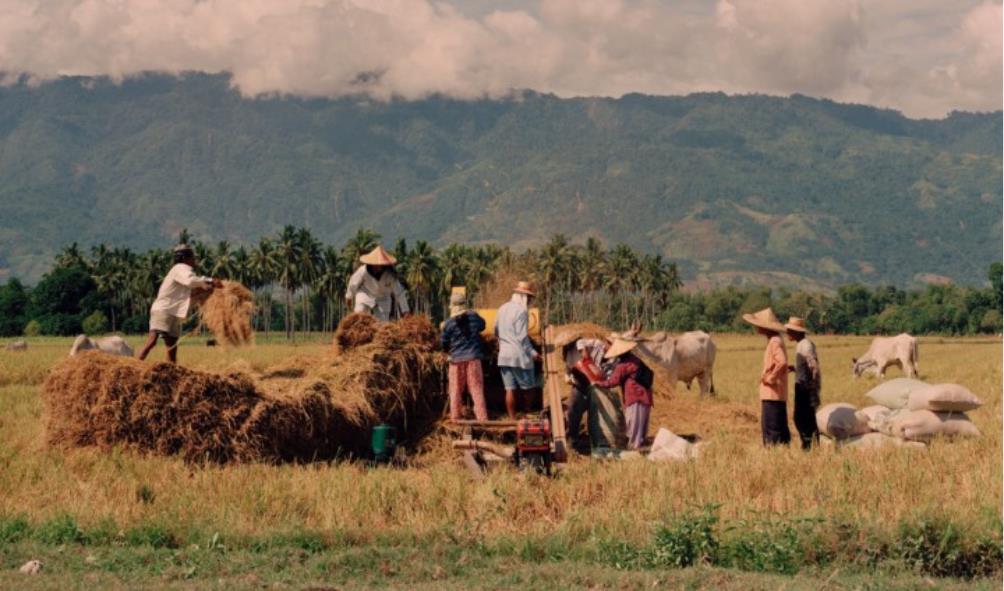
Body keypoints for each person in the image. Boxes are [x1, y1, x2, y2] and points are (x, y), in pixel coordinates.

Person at [138, 244, 220, 364]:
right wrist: (210, 280)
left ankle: (171, 369)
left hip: (173, 312)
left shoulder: (183, 271)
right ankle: (135, 364)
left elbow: (193, 289)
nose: (194, 260)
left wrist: (209, 287)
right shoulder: (180, 268)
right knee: (152, 341)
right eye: (192, 257)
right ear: (185, 258)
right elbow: (191, 280)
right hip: (163, 310)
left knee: (172, 345)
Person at [591, 337, 654, 450]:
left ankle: (634, 449)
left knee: (633, 425)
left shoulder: (623, 365)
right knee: (641, 426)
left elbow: (613, 381)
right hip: (645, 396)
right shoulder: (635, 359)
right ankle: (640, 445)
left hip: (635, 397)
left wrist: (598, 383)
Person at [742, 307, 791, 446]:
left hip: (772, 393)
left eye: (758, 325)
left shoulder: (774, 341)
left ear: (765, 327)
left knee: (771, 428)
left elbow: (782, 362)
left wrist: (770, 378)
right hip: (776, 393)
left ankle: (773, 454)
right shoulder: (775, 340)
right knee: (779, 427)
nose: (756, 327)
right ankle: (782, 453)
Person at [494, 281, 540, 420]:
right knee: (529, 388)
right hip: (518, 356)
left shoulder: (502, 308)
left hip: (504, 356)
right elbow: (522, 337)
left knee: (510, 389)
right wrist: (533, 353)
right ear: (524, 297)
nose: (530, 301)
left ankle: (512, 419)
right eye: (529, 298)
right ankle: (527, 413)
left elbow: (496, 330)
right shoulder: (522, 311)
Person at [441, 292, 488, 421]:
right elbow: (483, 326)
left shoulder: (448, 323)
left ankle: (455, 417)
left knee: (455, 390)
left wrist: (448, 350)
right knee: (476, 389)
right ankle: (482, 418)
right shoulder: (474, 316)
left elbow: (444, 342)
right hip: (473, 359)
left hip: (456, 361)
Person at [344, 246, 410, 321]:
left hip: (383, 298)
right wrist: (349, 297)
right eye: (375, 263)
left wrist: (405, 310)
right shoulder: (363, 271)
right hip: (365, 294)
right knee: (359, 315)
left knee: (383, 323)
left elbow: (399, 293)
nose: (377, 266)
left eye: (380, 264)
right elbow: (353, 283)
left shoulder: (391, 275)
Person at [564, 337, 609, 444]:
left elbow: (608, 376)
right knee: (574, 410)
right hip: (580, 383)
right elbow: (580, 342)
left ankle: (595, 439)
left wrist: (600, 377)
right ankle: (572, 437)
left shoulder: (614, 359)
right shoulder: (597, 344)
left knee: (595, 415)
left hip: (597, 386)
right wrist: (584, 352)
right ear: (607, 343)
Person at [785, 316, 821, 449]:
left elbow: (813, 365)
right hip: (803, 384)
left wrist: (810, 386)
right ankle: (812, 444)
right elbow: (807, 365)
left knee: (800, 418)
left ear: (797, 332)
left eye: (790, 330)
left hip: (804, 386)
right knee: (807, 417)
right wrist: (795, 368)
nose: (787, 333)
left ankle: (807, 445)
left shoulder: (805, 345)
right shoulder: (802, 344)